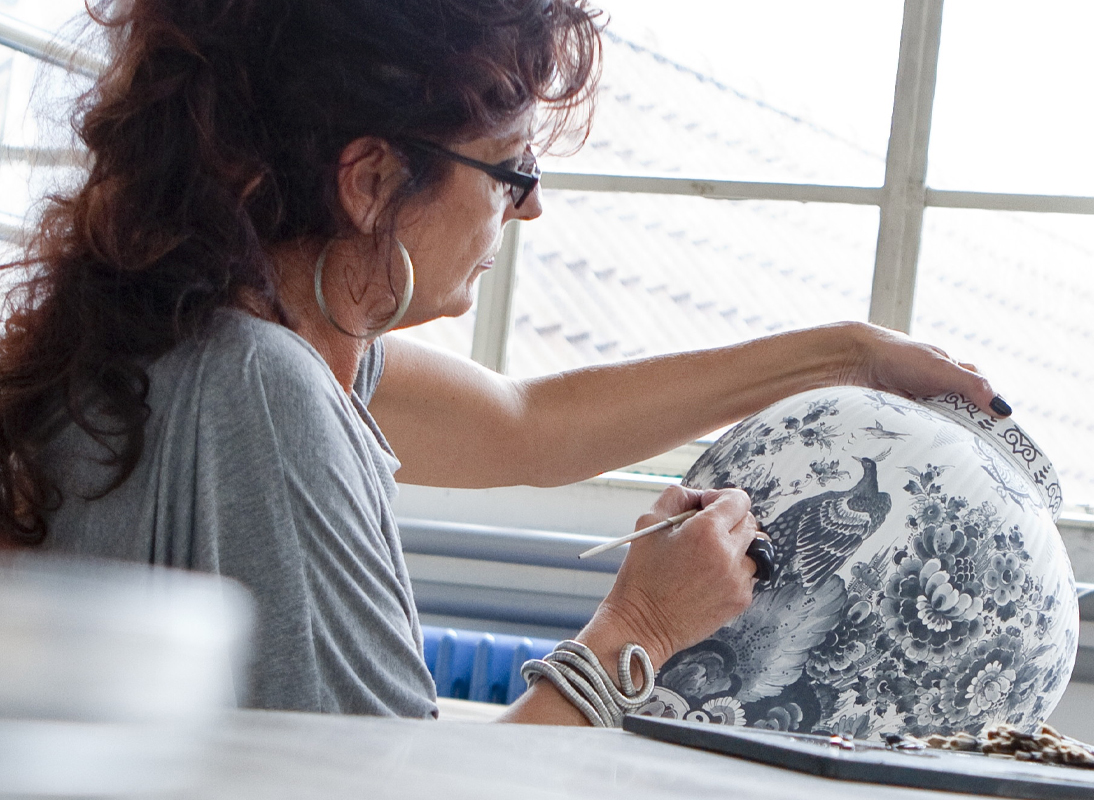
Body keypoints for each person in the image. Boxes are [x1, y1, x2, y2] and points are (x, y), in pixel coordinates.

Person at [0, 0, 1007, 726]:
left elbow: (532, 424)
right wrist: (640, 627)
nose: (530, 208)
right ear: (371, 179)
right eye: (510, 169)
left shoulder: (179, 331)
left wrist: (845, 354)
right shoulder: (262, 388)